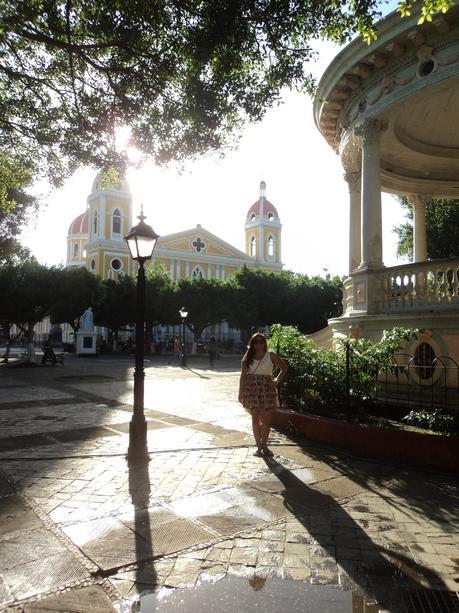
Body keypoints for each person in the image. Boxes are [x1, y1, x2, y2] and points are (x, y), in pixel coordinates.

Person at [238, 332, 288, 457]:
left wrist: (276, 380)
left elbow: (284, 368)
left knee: (266, 420)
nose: (259, 344)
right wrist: (240, 393)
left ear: (265, 343)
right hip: (252, 390)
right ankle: (259, 447)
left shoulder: (270, 355)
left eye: (261, 341)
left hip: (267, 389)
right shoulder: (248, 357)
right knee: (255, 419)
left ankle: (264, 445)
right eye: (256, 342)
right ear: (252, 343)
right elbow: (243, 376)